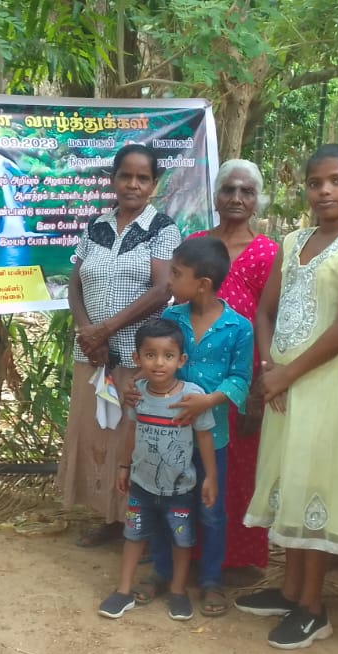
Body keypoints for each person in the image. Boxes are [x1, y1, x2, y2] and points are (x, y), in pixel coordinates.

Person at [237, 143, 338, 649]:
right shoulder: (293, 240)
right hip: (283, 384)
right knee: (290, 482)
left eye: (337, 181)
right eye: (315, 182)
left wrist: (289, 374)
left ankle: (314, 608)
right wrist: (268, 369)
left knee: (316, 483)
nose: (325, 191)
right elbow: (265, 311)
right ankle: (290, 590)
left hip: (322, 386)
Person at [57, 143, 182, 548]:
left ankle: (141, 526)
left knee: (132, 438)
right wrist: (87, 332)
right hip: (91, 355)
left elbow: (162, 290)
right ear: (113, 180)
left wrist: (106, 330)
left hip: (135, 356)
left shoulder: (162, 228)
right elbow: (74, 284)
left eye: (142, 178)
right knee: (98, 434)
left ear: (154, 184)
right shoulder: (96, 225)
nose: (133, 184)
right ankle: (109, 517)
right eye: (125, 176)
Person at [135, 237, 253, 617]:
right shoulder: (171, 319)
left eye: (176, 274)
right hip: (168, 434)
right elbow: (154, 362)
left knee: (210, 509)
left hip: (211, 438)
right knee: (164, 502)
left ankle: (211, 580)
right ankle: (162, 572)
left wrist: (209, 400)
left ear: (202, 284)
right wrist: (134, 385)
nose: (169, 280)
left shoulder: (239, 327)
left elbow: (240, 379)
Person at [186, 159, 278, 576]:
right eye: (229, 189)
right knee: (190, 462)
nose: (237, 198)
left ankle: (237, 559)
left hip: (241, 380)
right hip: (193, 374)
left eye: (247, 191)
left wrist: (260, 384)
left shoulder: (268, 252)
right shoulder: (196, 244)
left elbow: (271, 317)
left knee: (239, 467)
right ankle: (186, 552)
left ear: (257, 201)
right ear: (216, 195)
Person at [97, 319, 217, 621]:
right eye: (150, 355)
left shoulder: (191, 396)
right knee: (133, 536)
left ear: (181, 360)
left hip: (180, 488)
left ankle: (178, 591)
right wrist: (124, 466)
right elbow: (131, 431)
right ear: (137, 359)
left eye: (168, 355)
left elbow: (204, 437)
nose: (159, 363)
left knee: (181, 540)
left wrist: (211, 477)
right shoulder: (137, 393)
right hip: (142, 485)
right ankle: (123, 590)